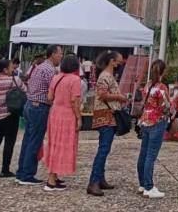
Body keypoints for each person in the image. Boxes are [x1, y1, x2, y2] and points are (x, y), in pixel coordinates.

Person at [16, 44, 62, 186]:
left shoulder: (39, 66)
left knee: (28, 139)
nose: (61, 57)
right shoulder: (49, 70)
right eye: (60, 53)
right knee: (35, 141)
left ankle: (22, 172)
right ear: (53, 54)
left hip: (30, 104)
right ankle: (27, 174)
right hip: (39, 106)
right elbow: (53, 90)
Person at [88, 50, 126, 196]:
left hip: (107, 115)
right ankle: (94, 181)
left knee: (105, 149)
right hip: (106, 116)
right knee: (103, 150)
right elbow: (102, 94)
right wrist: (119, 97)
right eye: (118, 61)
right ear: (112, 61)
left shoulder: (107, 76)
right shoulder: (105, 76)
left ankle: (100, 178)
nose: (120, 63)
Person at [43, 54, 82, 192]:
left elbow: (49, 97)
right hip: (67, 115)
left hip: (54, 113)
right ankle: (51, 180)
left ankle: (54, 176)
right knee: (63, 146)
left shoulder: (56, 77)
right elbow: (74, 101)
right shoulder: (75, 80)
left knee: (54, 144)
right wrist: (79, 117)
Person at [137, 59, 171, 199]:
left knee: (143, 154)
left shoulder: (148, 85)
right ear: (163, 71)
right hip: (157, 122)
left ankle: (142, 184)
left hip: (145, 121)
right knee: (151, 155)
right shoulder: (161, 87)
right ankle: (149, 187)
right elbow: (166, 106)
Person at [0, 59, 24, 178]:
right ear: (5, 69)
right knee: (9, 143)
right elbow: (24, 91)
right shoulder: (15, 80)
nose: (14, 70)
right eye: (12, 68)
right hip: (10, 114)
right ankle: (5, 169)